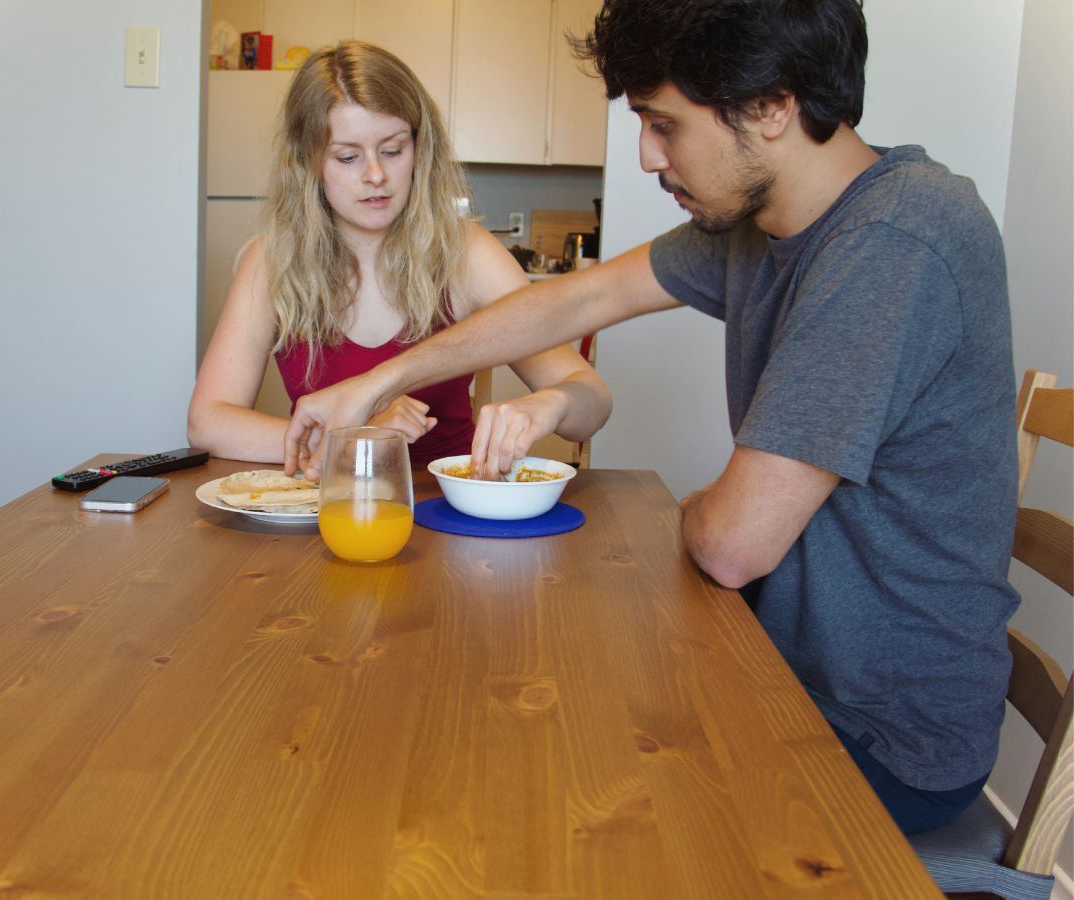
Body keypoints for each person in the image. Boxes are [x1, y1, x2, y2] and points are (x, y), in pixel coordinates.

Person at [282, 1, 1021, 835]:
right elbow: (578, 298)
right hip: (777, 669)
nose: (645, 156)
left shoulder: (897, 237)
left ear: (772, 106)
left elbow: (732, 545)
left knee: (528, 795)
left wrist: (706, 510)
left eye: (663, 125)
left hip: (877, 735)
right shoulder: (763, 224)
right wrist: (384, 379)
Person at [188, 40, 611, 471]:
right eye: (348, 157)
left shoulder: (468, 254)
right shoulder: (271, 260)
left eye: (392, 150)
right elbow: (208, 422)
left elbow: (591, 401)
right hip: (326, 508)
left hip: (443, 512)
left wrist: (551, 404)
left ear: (419, 148)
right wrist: (356, 440)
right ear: (308, 161)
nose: (376, 175)